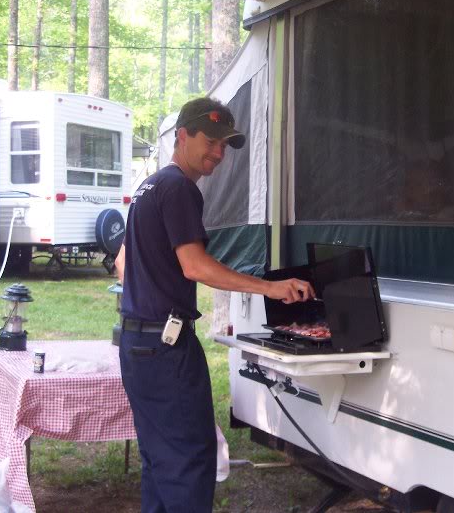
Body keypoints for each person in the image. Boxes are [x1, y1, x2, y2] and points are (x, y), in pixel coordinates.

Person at [114, 97, 315, 513]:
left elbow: (122, 263)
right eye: (211, 142)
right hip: (167, 350)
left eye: (225, 146)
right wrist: (272, 289)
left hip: (138, 347)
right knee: (190, 461)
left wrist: (151, 288)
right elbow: (195, 266)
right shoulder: (179, 188)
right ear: (181, 136)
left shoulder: (148, 186)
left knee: (159, 463)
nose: (219, 153)